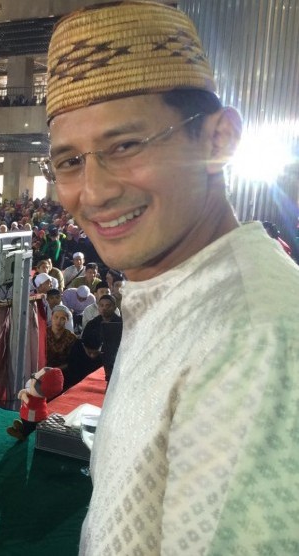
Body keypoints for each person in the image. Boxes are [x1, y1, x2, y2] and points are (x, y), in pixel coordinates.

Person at [43, 2, 299, 553]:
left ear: (218, 139)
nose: (93, 191)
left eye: (125, 146)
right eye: (69, 162)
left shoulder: (256, 338)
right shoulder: (169, 288)